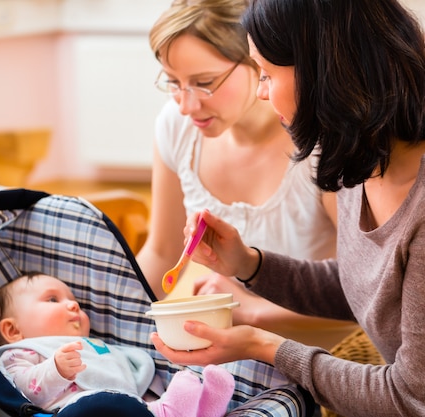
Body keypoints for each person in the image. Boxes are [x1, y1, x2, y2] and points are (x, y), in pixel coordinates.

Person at [149, 0, 425, 416]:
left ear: (321, 75)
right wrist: (248, 263)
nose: (261, 90)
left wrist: (263, 344)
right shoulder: (363, 155)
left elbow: (417, 402)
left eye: (268, 74)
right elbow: (366, 283)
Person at [137, 0, 355, 348]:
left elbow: (364, 293)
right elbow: (161, 251)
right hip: (233, 352)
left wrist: (249, 310)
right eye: (173, 82)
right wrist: (109, 311)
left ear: (258, 60)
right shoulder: (177, 126)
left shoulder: (325, 145)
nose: (185, 105)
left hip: (324, 359)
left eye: (205, 82)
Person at [0, 272, 234, 417]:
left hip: (126, 408)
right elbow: (20, 391)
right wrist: (55, 370)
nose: (73, 305)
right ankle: (168, 411)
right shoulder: (20, 353)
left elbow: (130, 382)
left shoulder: (97, 347)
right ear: (13, 330)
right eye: (52, 299)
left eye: (75, 301)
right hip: (74, 413)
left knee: (138, 403)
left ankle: (202, 408)